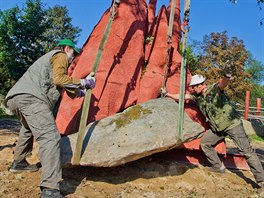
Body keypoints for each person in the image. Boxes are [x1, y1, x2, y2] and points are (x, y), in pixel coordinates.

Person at [3, 39, 95, 198]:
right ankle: (50, 188)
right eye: (74, 53)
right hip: (31, 98)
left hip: (16, 98)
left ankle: (19, 162)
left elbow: (61, 84)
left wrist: (79, 91)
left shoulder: (50, 60)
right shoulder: (61, 56)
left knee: (28, 128)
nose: (73, 58)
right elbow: (59, 79)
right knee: (50, 137)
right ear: (67, 48)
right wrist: (83, 81)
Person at [162, 71, 264, 194]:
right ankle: (218, 167)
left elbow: (222, 84)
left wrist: (227, 76)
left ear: (201, 85)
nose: (193, 89)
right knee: (205, 143)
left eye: (194, 87)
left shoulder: (214, 89)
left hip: (232, 124)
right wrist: (167, 94)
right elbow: (183, 96)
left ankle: (261, 181)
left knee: (247, 151)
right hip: (218, 128)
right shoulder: (197, 96)